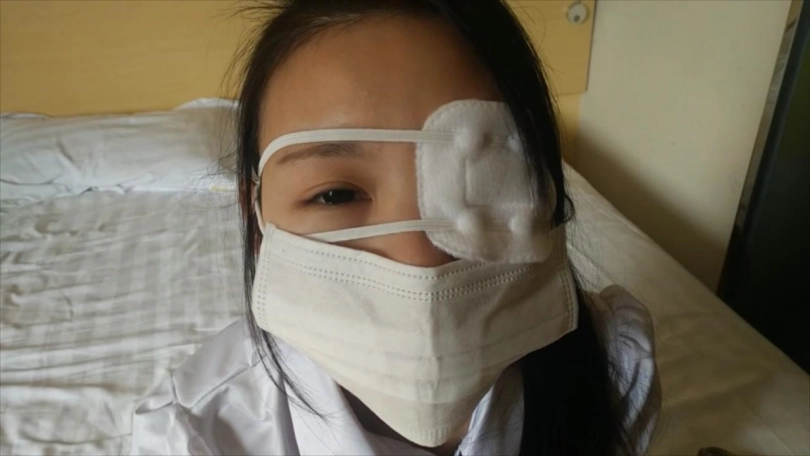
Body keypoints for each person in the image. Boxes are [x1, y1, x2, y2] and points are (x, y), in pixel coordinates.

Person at [131, 1, 660, 455]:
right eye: (335, 195)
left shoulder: (616, 367)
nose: (418, 256)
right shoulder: (194, 436)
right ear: (257, 226)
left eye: (480, 182)